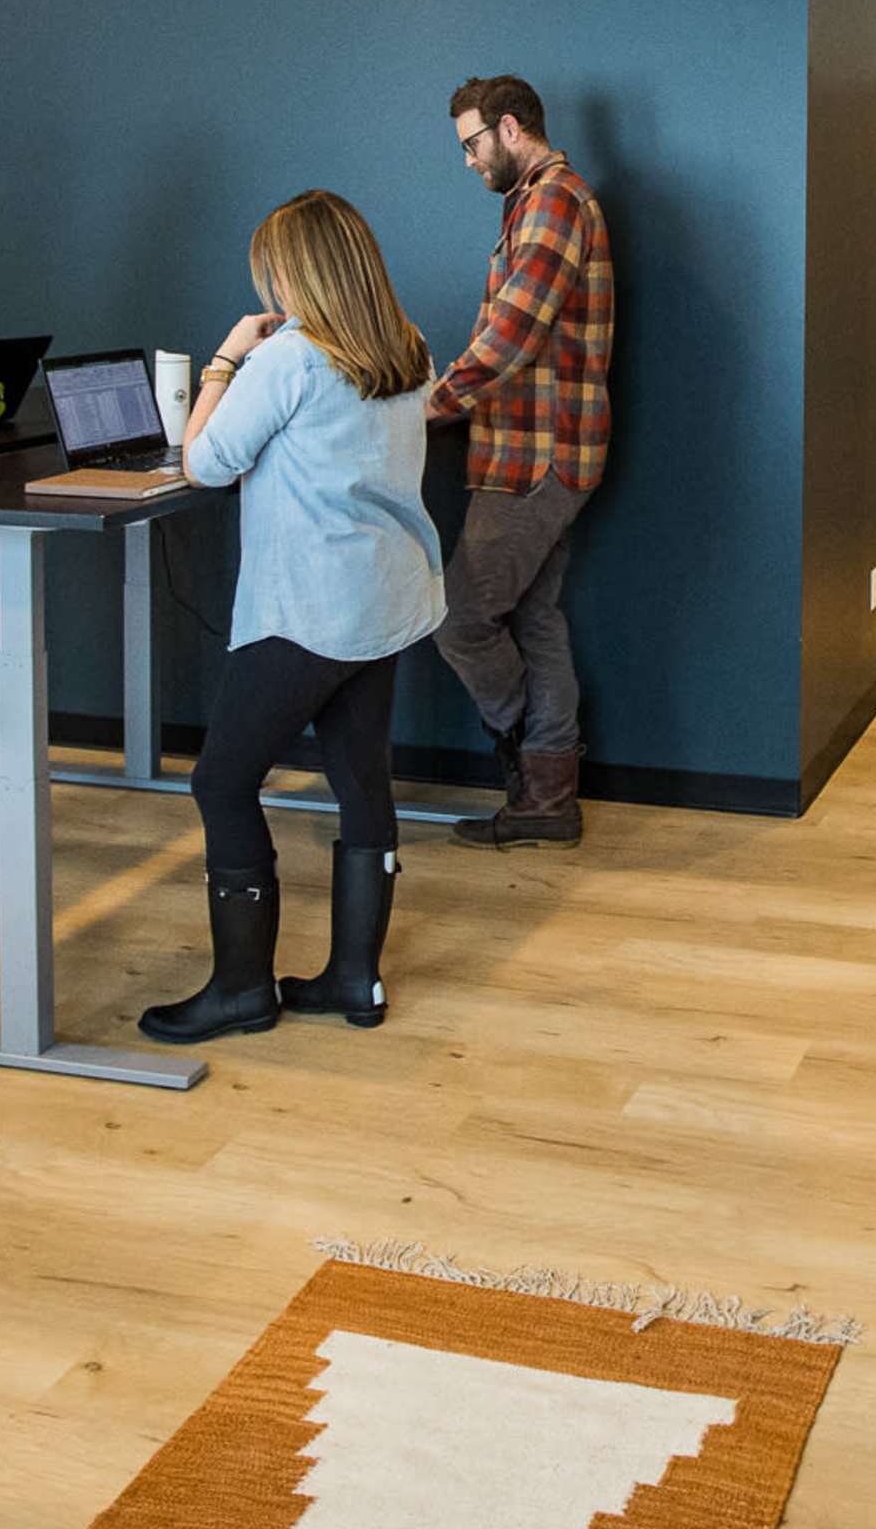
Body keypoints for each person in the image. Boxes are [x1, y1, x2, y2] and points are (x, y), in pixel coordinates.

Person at [140, 190, 448, 1044]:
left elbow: (204, 463)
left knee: (221, 781)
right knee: (362, 787)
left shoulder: (288, 360)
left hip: (309, 607)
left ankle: (242, 990)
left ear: (293, 271)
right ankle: (356, 980)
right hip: (385, 597)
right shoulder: (408, 345)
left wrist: (224, 361)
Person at [429, 73, 615, 848]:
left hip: (535, 457)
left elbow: (512, 334)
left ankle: (528, 753)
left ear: (509, 128)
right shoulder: (534, 203)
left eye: (471, 143)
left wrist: (431, 405)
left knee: (459, 618)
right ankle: (549, 800)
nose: (467, 160)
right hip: (542, 450)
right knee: (536, 618)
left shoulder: (553, 200)